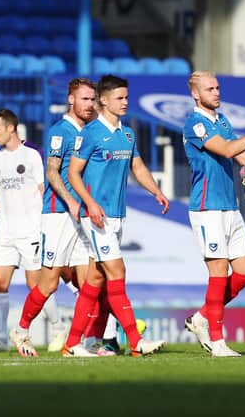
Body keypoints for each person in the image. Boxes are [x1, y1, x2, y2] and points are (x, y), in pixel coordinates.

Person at [64, 74, 168, 357]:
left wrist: (155, 191)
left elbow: (139, 166)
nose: (125, 102)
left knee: (95, 280)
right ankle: (136, 341)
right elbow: (72, 173)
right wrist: (90, 203)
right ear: (104, 100)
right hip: (95, 215)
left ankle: (73, 343)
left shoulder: (127, 133)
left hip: (117, 216)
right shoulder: (89, 134)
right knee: (117, 273)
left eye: (126, 97)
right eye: (120, 98)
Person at [9, 78, 99, 357]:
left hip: (81, 215)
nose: (90, 104)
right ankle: (21, 330)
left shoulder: (92, 131)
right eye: (85, 99)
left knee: (90, 282)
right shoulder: (60, 131)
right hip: (59, 214)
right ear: (71, 100)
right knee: (48, 283)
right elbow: (52, 172)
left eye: (93, 99)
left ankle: (81, 342)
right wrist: (71, 201)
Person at [0, 108, 66, 352]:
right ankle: (0, 340)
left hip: (32, 232)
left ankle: (58, 329)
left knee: (37, 286)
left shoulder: (32, 156)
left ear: (11, 128)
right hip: (5, 234)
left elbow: (45, 189)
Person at [182, 71, 245, 358]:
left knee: (244, 274)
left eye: (217, 87)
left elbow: (243, 157)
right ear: (196, 94)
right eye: (210, 89)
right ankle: (217, 343)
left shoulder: (221, 121)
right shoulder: (195, 124)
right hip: (207, 208)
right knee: (219, 274)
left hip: (230, 206)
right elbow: (228, 150)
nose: (216, 92)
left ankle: (203, 317)